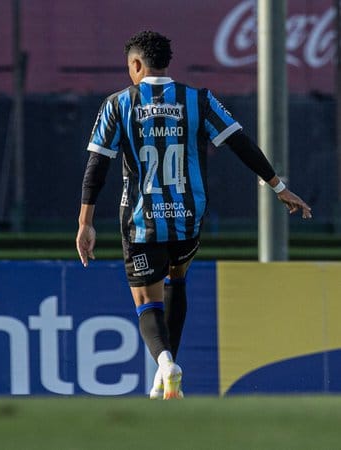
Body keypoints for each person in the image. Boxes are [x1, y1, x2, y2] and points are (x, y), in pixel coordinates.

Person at [75, 30, 312, 400]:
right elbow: (240, 143)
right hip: (187, 217)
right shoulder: (198, 100)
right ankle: (165, 375)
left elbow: (97, 167)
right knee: (177, 279)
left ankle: (166, 363)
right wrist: (278, 187)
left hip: (141, 221)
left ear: (136, 65)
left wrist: (85, 222)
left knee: (146, 301)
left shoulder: (118, 104)